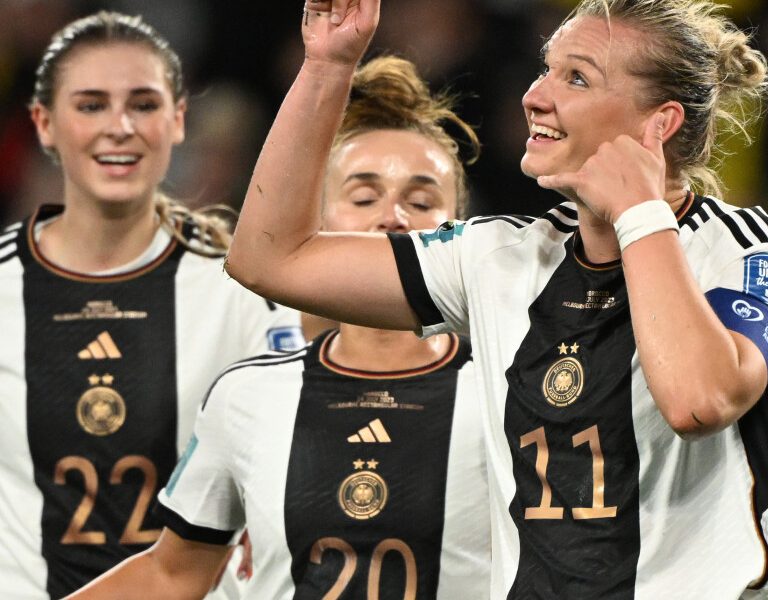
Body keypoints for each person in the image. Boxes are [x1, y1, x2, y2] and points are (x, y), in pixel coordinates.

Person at [225, 0, 768, 597]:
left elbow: (699, 402)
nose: (534, 96)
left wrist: (638, 213)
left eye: (575, 77)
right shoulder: (498, 257)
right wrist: (327, 66)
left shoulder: (754, 251)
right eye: (545, 69)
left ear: (658, 124)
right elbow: (268, 258)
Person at [67, 54, 490, 600]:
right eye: (363, 196)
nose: (394, 217)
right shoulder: (248, 395)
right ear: (314, 224)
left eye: (422, 199)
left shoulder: (509, 392)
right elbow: (172, 572)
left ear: (462, 229)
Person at [0, 11, 304, 599]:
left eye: (142, 104)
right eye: (90, 105)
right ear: (43, 123)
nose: (119, 127)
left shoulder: (241, 291)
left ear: (179, 119)